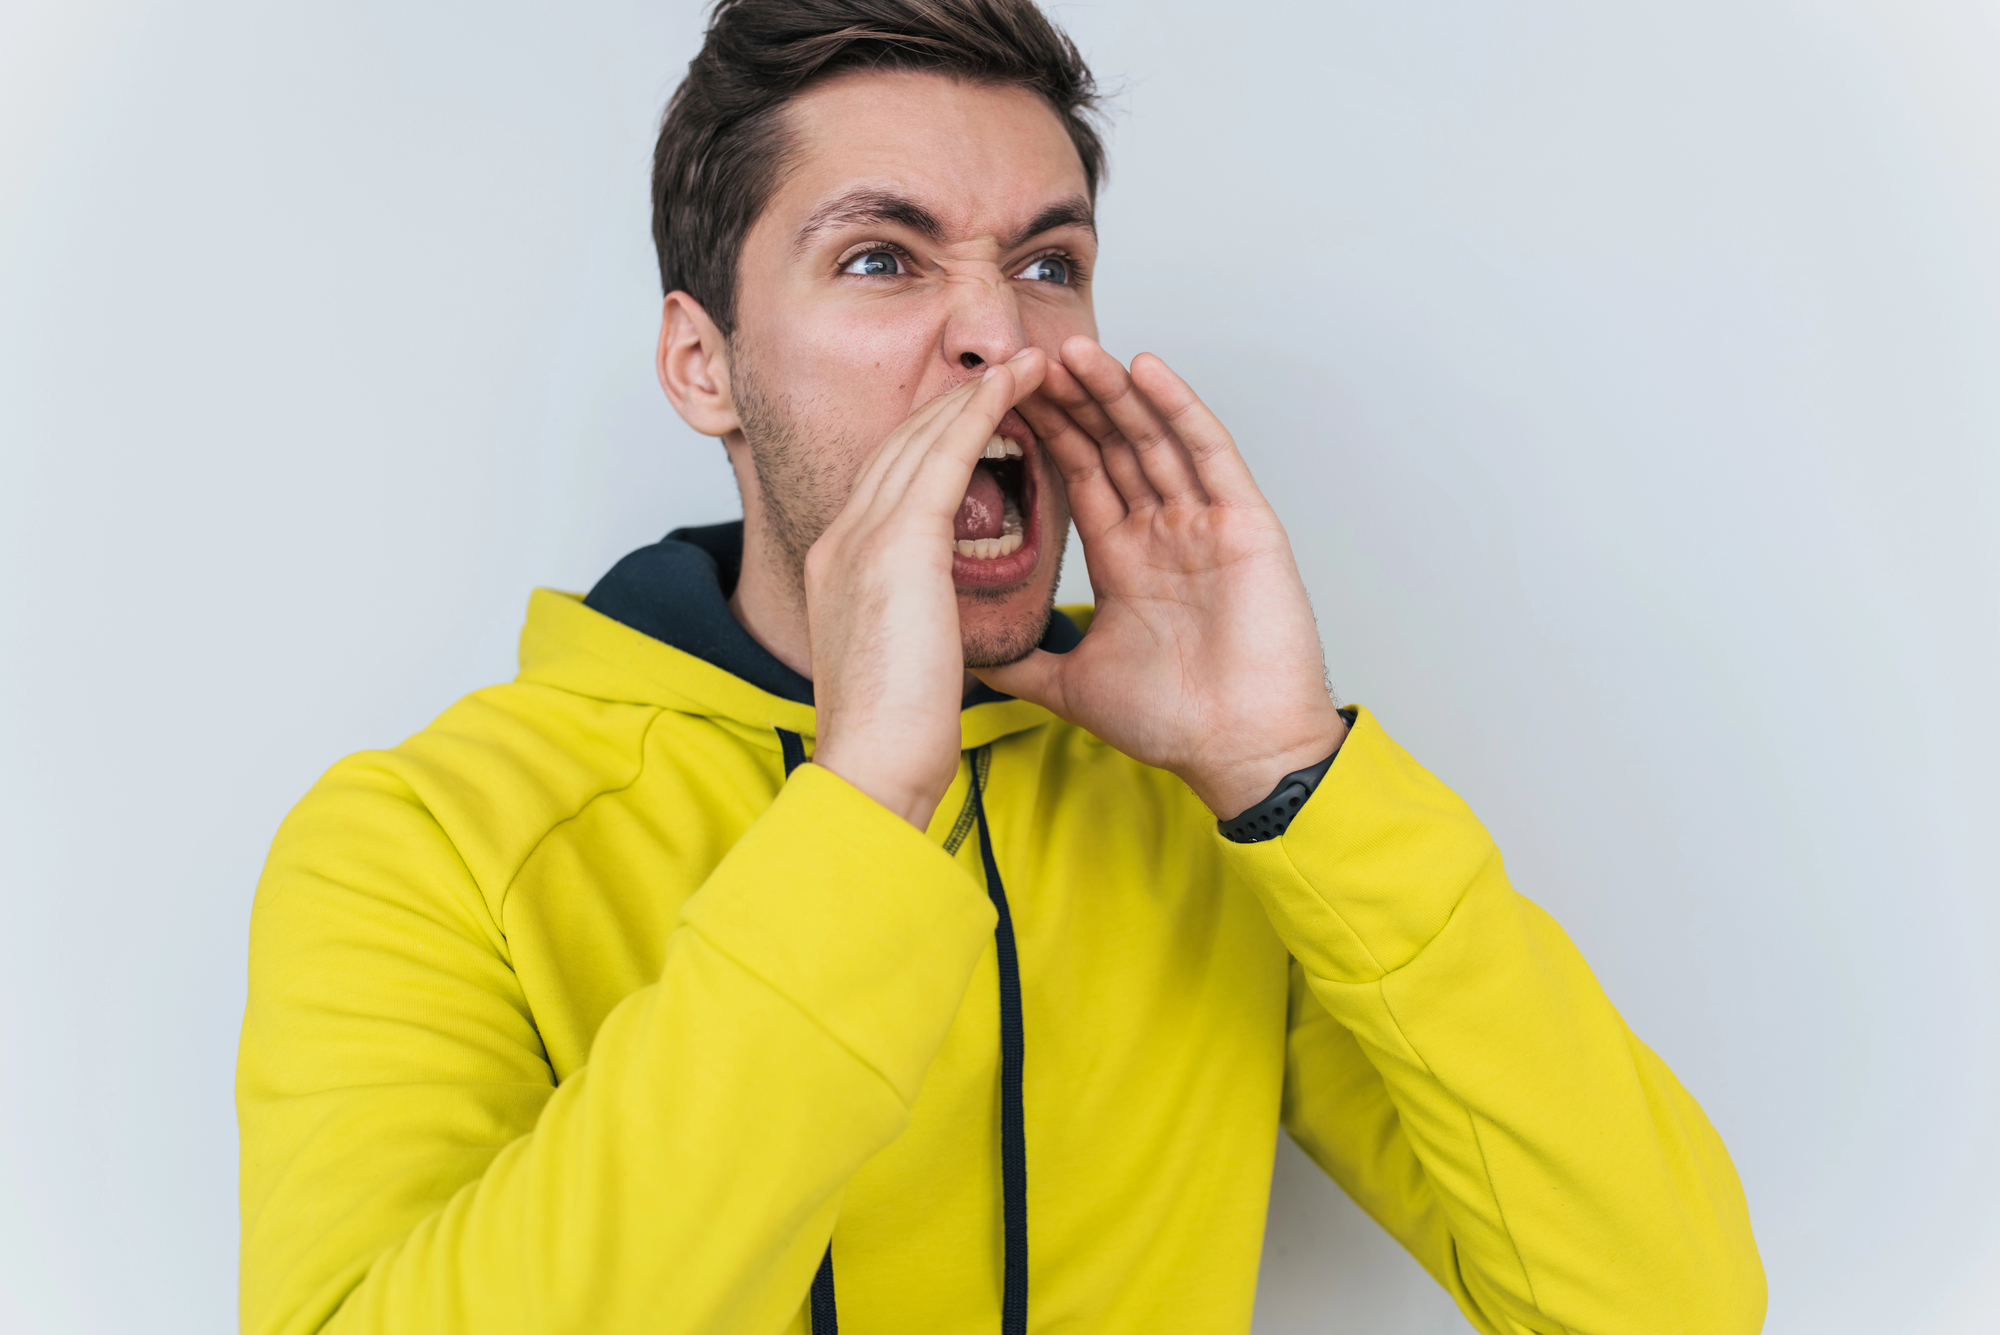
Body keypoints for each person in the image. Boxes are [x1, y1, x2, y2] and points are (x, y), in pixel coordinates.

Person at [236, 1, 1766, 1331]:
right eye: (882, 259)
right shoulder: (419, 847)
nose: (996, 337)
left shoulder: (1200, 810)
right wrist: (863, 810)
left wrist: (1288, 776)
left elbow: (1662, 1306)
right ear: (705, 365)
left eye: (1046, 264)